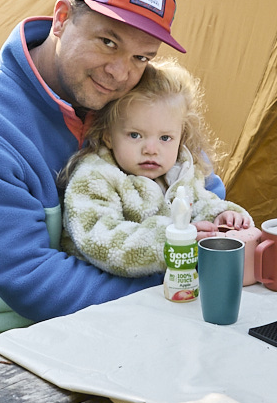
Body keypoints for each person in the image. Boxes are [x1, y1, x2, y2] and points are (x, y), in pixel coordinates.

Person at [0, 0, 198, 355]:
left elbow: (193, 180)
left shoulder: (123, 97)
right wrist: (183, 279)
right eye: (108, 42)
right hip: (10, 343)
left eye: (142, 57)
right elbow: (32, 281)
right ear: (61, 18)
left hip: (129, 324)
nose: (120, 73)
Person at [58, 59, 258, 277]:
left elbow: (199, 202)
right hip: (107, 292)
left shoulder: (179, 171)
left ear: (181, 136)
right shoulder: (95, 177)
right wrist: (171, 240)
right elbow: (100, 239)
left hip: (169, 287)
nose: (151, 149)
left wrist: (221, 215)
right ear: (108, 136)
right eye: (135, 135)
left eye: (165, 137)